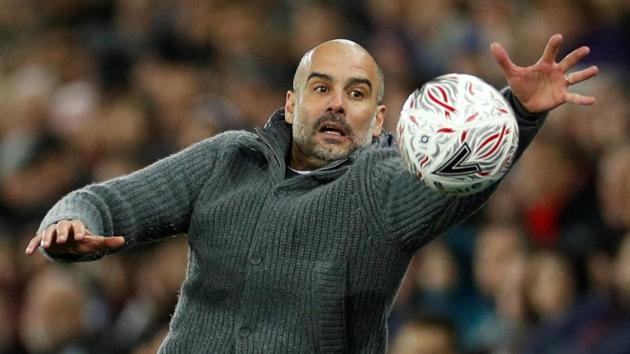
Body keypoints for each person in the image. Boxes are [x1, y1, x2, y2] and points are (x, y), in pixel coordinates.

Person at [25, 34, 597, 353]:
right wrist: (68, 223)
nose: (335, 104)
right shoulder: (227, 157)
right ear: (292, 104)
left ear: (378, 122)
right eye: (320, 88)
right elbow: (110, 201)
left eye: (356, 93)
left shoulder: (381, 186)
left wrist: (516, 112)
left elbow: (455, 182)